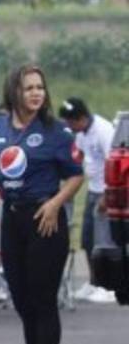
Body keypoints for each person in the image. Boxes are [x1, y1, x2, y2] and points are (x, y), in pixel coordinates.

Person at [0, 65, 83, 344]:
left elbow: (75, 176)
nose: (36, 93)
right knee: (22, 301)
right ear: (14, 92)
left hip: (44, 220)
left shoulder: (56, 132)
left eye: (40, 87)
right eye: (28, 88)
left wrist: (55, 204)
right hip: (12, 220)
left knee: (42, 300)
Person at [58, 97, 117, 304]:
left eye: (70, 122)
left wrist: (108, 195)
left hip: (106, 192)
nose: (69, 126)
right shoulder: (81, 133)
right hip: (93, 190)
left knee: (104, 242)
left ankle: (110, 286)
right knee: (87, 240)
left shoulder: (103, 130)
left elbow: (115, 162)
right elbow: (80, 157)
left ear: (81, 118)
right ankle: (94, 282)